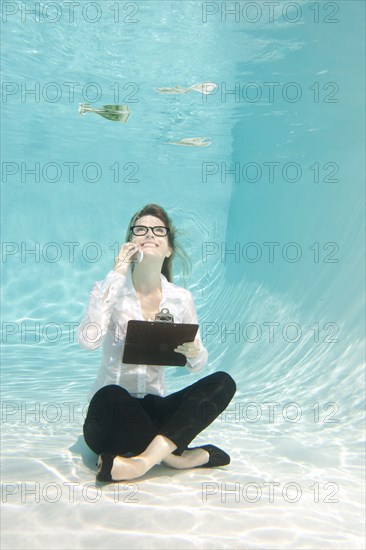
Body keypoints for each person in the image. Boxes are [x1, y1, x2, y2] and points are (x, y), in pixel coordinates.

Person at [77, 204, 236, 482]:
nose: (149, 233)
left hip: (152, 409)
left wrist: (195, 351)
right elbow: (88, 341)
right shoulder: (109, 289)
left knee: (222, 382)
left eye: (158, 230)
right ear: (131, 241)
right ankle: (176, 455)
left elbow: (197, 366)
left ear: (169, 248)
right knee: (110, 396)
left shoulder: (181, 298)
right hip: (110, 413)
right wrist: (116, 272)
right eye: (140, 229)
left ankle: (141, 463)